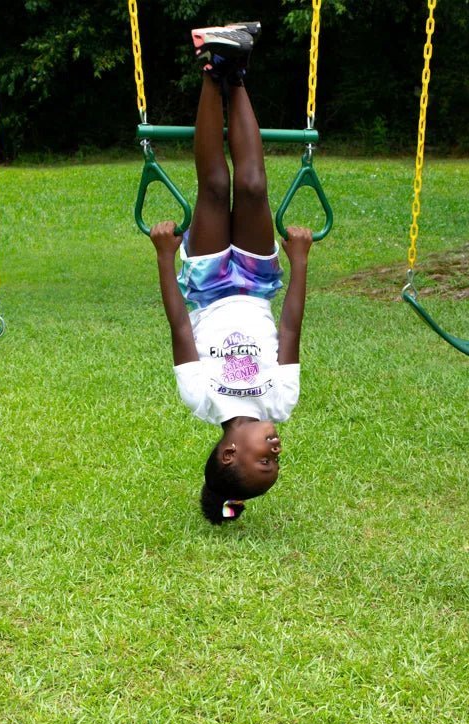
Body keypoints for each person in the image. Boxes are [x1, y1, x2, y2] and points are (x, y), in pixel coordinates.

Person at [150, 22, 315, 524]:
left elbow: (181, 326)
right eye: (276, 459)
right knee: (253, 185)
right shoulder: (280, 401)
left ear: (229, 454)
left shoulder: (199, 397)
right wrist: (300, 262)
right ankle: (235, 70)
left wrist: (163, 258)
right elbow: (289, 328)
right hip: (257, 283)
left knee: (216, 186)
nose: (275, 447)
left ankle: (209, 69)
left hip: (207, 288)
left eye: (264, 459)